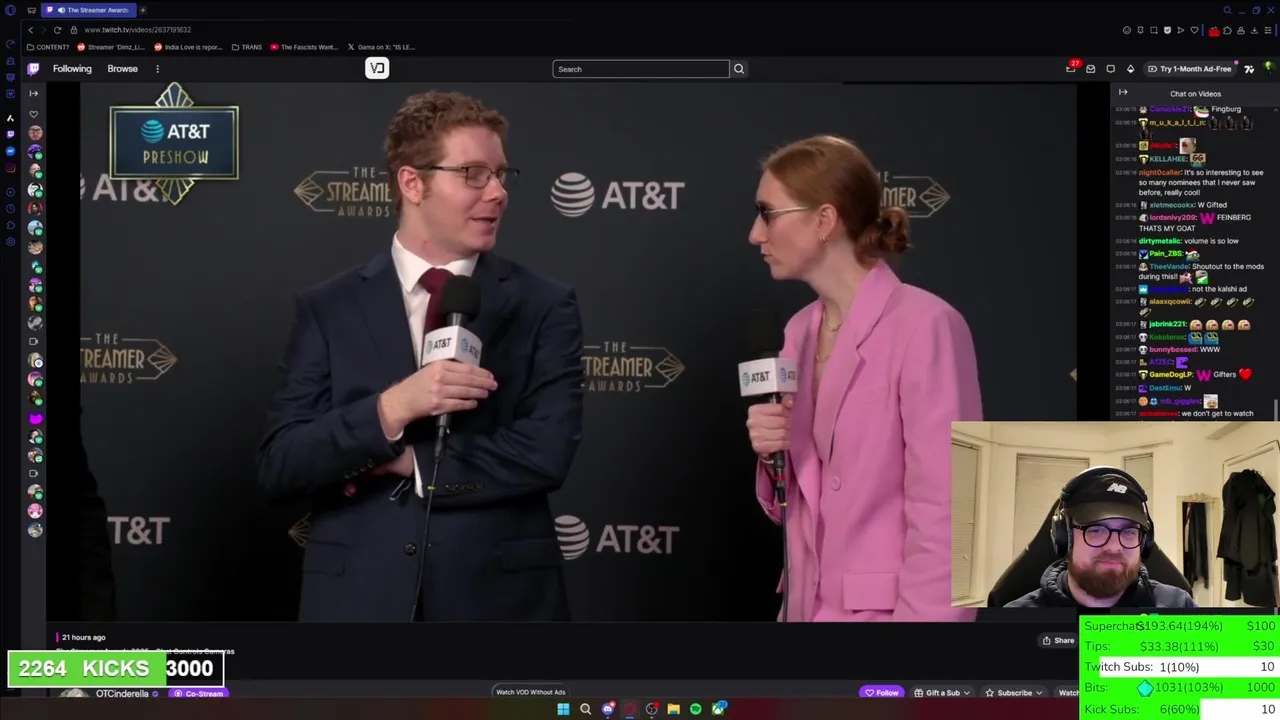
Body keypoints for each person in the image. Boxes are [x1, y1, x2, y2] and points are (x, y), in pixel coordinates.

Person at [256, 91, 585, 622]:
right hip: (358, 604)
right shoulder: (329, 308)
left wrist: (413, 464)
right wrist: (391, 409)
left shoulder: (543, 304)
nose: (498, 192)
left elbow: (545, 452)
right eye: (474, 174)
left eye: (501, 174)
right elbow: (282, 464)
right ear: (412, 183)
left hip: (498, 605)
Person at [744, 135, 982, 621]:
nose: (755, 234)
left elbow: (950, 516)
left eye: (768, 214)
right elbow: (800, 505)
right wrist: (773, 457)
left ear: (824, 220)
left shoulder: (926, 326)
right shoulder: (798, 333)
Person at [1005, 467, 1197, 608]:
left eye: (1129, 532)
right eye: (1096, 530)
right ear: (1065, 537)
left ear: (1145, 542)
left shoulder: (1179, 608)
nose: (1114, 547)